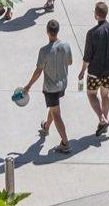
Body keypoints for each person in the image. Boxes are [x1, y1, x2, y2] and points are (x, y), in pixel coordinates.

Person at [23, 17, 73, 152]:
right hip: (63, 84)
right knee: (53, 106)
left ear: (47, 32)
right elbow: (70, 62)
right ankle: (46, 127)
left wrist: (28, 86)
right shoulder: (66, 45)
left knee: (56, 113)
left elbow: (39, 70)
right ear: (57, 31)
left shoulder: (44, 51)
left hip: (51, 87)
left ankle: (65, 143)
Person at [79, 1, 109, 137]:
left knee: (91, 94)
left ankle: (102, 119)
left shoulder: (92, 33)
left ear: (96, 15)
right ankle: (105, 119)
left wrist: (82, 71)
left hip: (94, 71)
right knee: (105, 95)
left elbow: (87, 56)